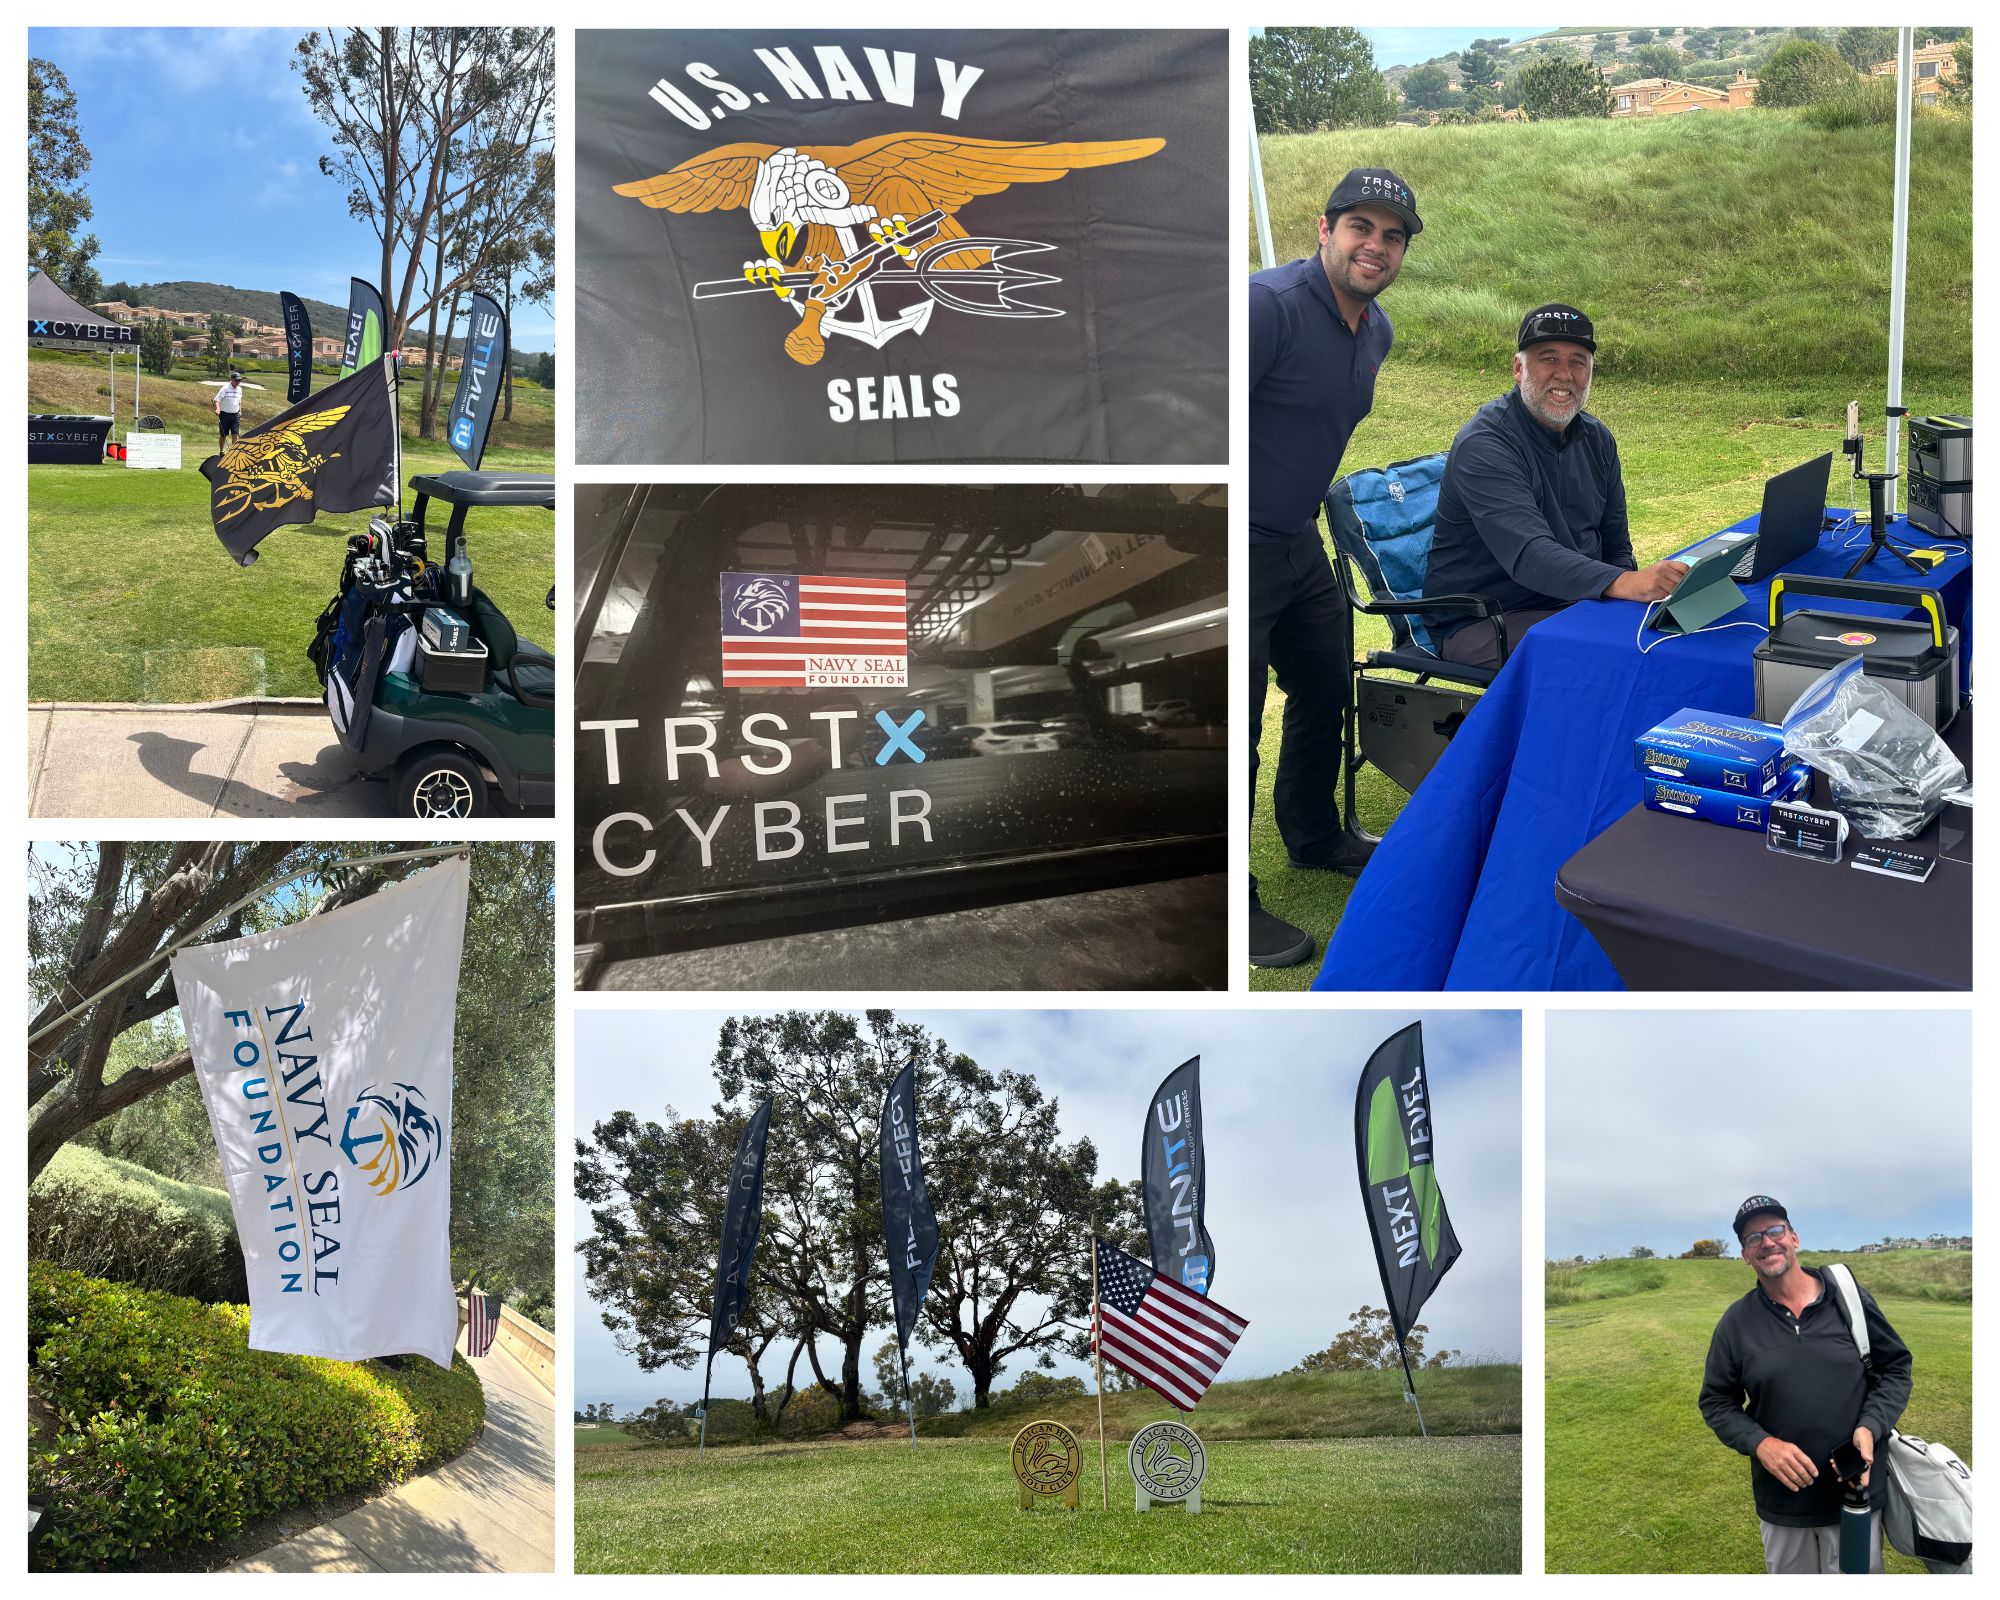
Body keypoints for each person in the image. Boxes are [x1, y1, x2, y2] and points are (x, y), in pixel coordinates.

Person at [1247, 168, 1420, 968]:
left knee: (1323, 691)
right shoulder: (1266, 308)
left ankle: (1315, 836)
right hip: (1226, 545)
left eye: (1392, 236)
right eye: (1361, 228)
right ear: (1325, 228)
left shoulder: (1375, 330)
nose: (1375, 246)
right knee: (1230, 726)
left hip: (1296, 541)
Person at [1423, 305, 1689, 669]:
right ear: (1518, 369)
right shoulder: (1486, 444)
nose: (1564, 375)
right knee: (1619, 657)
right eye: (1548, 359)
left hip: (1575, 603)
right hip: (1488, 618)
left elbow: (1616, 544)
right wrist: (1625, 584)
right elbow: (1530, 556)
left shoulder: (1597, 438)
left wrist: (1628, 591)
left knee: (1677, 635)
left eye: (1578, 362)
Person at [1698, 1195, 1911, 1575]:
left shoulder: (1846, 1298)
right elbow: (1717, 1401)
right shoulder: (1736, 1322)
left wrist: (1869, 1427)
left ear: (1794, 1238)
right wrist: (1761, 1443)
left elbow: (1895, 1368)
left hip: (1855, 1495)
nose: (1767, 1242)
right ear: (1745, 1255)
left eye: (1775, 1230)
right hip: (1784, 1505)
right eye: (1753, 1238)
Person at [215, 371, 245, 453]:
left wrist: (240, 411)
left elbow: (239, 401)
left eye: (239, 380)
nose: (238, 382)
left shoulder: (240, 389)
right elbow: (217, 400)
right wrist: (218, 409)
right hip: (224, 414)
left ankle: (233, 452)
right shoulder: (225, 388)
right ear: (231, 379)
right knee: (223, 434)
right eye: (236, 380)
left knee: (235, 433)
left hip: (235, 415)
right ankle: (221, 451)